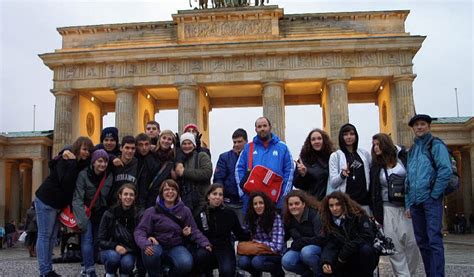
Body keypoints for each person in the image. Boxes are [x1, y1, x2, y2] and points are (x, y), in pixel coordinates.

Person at [35, 136, 93, 277]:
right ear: (78, 147)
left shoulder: (80, 164)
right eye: (84, 149)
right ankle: (44, 271)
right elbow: (65, 182)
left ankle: (48, 269)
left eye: (89, 151)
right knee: (44, 235)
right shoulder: (66, 160)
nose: (86, 153)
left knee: (52, 237)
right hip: (46, 200)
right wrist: (70, 160)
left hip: (57, 205)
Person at [134, 179, 211, 277]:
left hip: (176, 246)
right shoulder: (151, 211)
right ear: (161, 193)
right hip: (157, 245)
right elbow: (140, 230)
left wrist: (205, 243)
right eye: (166, 190)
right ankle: (155, 274)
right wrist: (145, 243)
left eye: (173, 189)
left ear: (178, 193)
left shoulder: (185, 211)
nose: (170, 192)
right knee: (150, 252)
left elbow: (194, 230)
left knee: (186, 263)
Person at [406, 114, 452, 277]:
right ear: (413, 128)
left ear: (428, 126)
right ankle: (430, 274)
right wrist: (408, 202)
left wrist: (434, 195)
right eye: (416, 125)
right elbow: (408, 178)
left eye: (422, 124)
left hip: (430, 200)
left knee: (434, 240)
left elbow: (445, 170)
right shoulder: (412, 150)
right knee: (422, 242)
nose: (419, 127)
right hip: (416, 202)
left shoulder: (436, 145)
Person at [369, 133, 420, 276]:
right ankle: (402, 275)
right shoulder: (376, 166)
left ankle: (410, 273)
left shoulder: (403, 158)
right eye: (374, 145)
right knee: (394, 246)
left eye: (378, 144)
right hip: (386, 208)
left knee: (412, 243)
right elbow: (373, 189)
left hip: (406, 206)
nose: (376, 147)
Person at [236, 116, 294, 209]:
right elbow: (239, 169)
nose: (262, 129)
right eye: (259, 127)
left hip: (276, 202)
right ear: (255, 129)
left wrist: (283, 195)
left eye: (264, 126)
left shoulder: (283, 147)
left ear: (270, 127)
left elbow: (289, 171)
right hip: (253, 202)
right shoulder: (248, 148)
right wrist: (243, 194)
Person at [73, 149, 114, 277]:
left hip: (101, 213)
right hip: (86, 213)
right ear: (93, 162)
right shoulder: (83, 175)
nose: (103, 164)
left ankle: (86, 267)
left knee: (97, 241)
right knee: (87, 240)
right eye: (100, 161)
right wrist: (81, 220)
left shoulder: (109, 175)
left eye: (105, 161)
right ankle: (90, 270)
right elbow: (77, 198)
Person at [194, 184, 250, 277]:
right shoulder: (201, 213)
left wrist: (252, 233)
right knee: (199, 257)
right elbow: (196, 233)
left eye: (220, 194)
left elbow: (240, 234)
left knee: (227, 272)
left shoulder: (229, 213)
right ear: (208, 196)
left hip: (225, 248)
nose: (217, 197)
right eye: (214, 194)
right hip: (207, 247)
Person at [320, 191, 378, 277]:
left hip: (359, 255)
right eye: (331, 206)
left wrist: (347, 249)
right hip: (343, 259)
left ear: (344, 204)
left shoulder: (359, 215)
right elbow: (329, 244)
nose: (334, 208)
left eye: (337, 204)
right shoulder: (328, 221)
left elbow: (367, 236)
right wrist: (326, 261)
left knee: (365, 249)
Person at [98, 183, 141, 277]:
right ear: (120, 196)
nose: (128, 197)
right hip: (110, 249)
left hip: (128, 251)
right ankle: (110, 273)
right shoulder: (109, 214)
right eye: (125, 194)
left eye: (131, 195)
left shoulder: (137, 215)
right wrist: (115, 246)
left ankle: (124, 274)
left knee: (127, 264)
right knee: (113, 258)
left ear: (135, 197)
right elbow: (100, 240)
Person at [238, 191, 286, 277]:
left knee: (257, 262)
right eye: (255, 204)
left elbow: (277, 246)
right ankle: (256, 274)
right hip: (257, 251)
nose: (258, 206)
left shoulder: (275, 217)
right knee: (242, 261)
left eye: (261, 203)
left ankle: (277, 272)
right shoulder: (251, 218)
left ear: (266, 204)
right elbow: (244, 233)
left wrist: (256, 244)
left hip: (274, 253)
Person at [328, 123, 371, 211]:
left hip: (365, 202)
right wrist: (342, 175)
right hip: (346, 203)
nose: (349, 137)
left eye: (352, 134)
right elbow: (333, 183)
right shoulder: (335, 156)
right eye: (345, 134)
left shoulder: (364, 154)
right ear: (341, 137)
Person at [281, 190, 324, 276]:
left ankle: (320, 274)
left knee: (306, 252)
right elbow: (284, 237)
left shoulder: (315, 215)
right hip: (300, 248)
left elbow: (321, 239)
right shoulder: (288, 218)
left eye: (297, 203)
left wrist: (301, 242)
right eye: (291, 204)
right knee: (286, 260)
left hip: (318, 248)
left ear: (304, 204)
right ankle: (308, 274)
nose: (294, 207)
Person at [213, 128, 248, 223]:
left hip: (245, 203)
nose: (236, 144)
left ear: (246, 141)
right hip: (228, 203)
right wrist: (220, 196)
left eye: (239, 142)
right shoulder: (224, 157)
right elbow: (218, 179)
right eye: (234, 142)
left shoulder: (252, 157)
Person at [175, 132, 212, 217]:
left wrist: (184, 172)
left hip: (201, 201)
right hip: (185, 201)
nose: (187, 146)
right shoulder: (179, 159)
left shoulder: (202, 156)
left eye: (189, 143)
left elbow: (207, 173)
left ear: (194, 145)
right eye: (184, 144)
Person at [138, 130, 176, 209]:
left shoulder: (174, 158)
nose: (166, 141)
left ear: (172, 142)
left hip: (168, 198)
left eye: (169, 139)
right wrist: (141, 205)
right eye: (164, 138)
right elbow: (144, 182)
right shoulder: (150, 156)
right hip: (151, 199)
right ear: (159, 139)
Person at [294, 128, 335, 201]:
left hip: (330, 203)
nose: (316, 141)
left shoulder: (332, 158)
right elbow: (297, 184)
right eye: (313, 139)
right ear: (309, 142)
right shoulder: (303, 160)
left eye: (319, 138)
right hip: (311, 203)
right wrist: (303, 175)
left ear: (324, 140)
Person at [110, 136, 138, 205]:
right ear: (121, 148)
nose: (130, 151)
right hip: (113, 205)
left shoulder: (139, 164)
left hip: (132, 205)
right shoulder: (113, 163)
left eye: (133, 148)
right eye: (127, 148)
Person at [134, 133, 159, 209]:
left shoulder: (155, 159)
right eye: (140, 145)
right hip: (134, 197)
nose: (144, 148)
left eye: (146, 144)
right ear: (136, 146)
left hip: (151, 198)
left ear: (150, 145)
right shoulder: (132, 159)